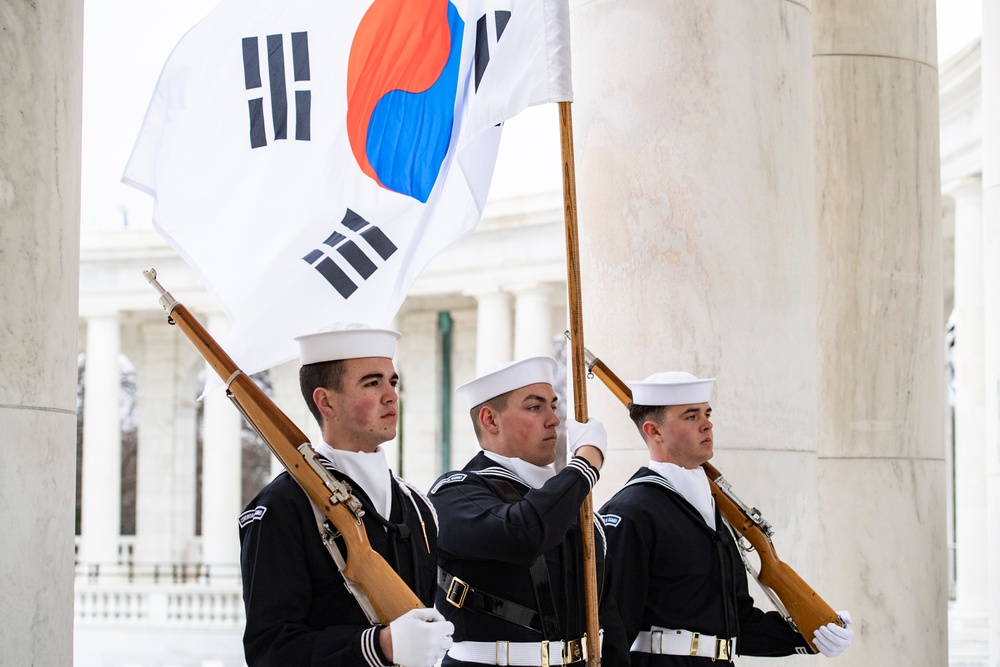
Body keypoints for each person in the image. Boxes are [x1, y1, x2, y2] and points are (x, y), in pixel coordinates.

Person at [599, 371, 854, 664]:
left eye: (706, 414)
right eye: (691, 416)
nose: (707, 424)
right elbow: (614, 630)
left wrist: (812, 634)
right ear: (654, 432)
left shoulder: (709, 509)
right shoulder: (632, 512)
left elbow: (737, 622)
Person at [239, 323, 454, 667]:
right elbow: (270, 650)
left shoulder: (418, 506)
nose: (391, 395)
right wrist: (377, 646)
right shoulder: (283, 506)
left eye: (392, 381)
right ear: (325, 401)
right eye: (372, 383)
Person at [428, 356, 628, 666]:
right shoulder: (455, 493)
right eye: (535, 407)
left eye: (553, 405)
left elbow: (606, 613)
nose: (554, 419)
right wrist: (585, 465)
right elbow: (523, 534)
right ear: (490, 420)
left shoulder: (567, 500)